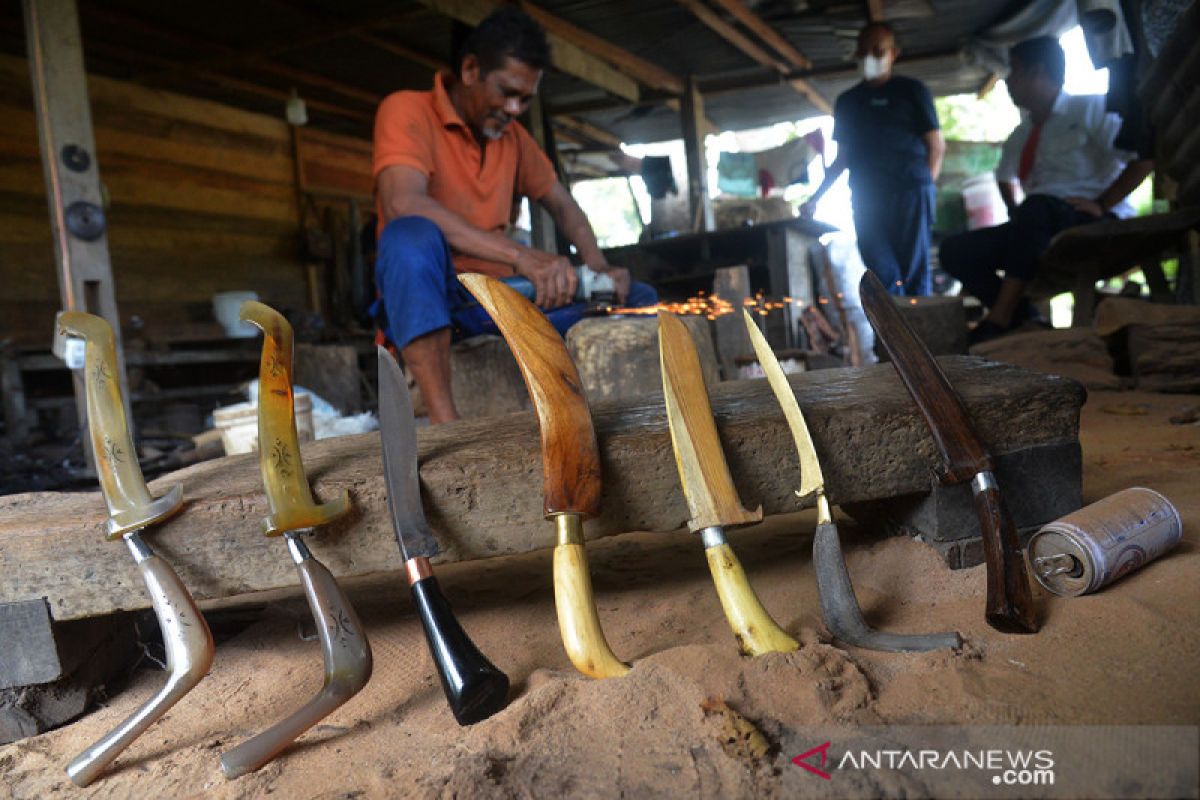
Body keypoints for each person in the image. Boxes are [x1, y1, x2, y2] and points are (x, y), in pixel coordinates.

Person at [372, 7, 657, 423]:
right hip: (434, 299)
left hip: (495, 299)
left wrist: (599, 269)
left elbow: (563, 204)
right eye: (507, 92)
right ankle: (446, 422)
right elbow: (403, 202)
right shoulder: (406, 111)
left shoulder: (513, 139)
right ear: (470, 70)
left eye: (525, 98)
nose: (515, 108)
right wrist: (521, 255)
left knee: (634, 299)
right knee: (408, 236)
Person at [939, 36, 1154, 344]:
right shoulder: (1021, 133)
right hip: (1036, 223)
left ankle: (999, 317)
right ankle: (1025, 317)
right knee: (956, 250)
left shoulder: (1089, 109)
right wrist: (1017, 214)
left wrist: (1103, 203)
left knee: (1037, 206)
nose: (1008, 82)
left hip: (1087, 217)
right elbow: (1004, 177)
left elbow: (1142, 160)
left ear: (1037, 72)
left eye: (1014, 71)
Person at [800, 22, 945, 296]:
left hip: (911, 192)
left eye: (878, 51)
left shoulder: (912, 91)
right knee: (881, 272)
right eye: (864, 51)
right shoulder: (848, 102)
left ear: (894, 53)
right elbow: (842, 159)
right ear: (856, 54)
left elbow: (935, 146)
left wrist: (924, 188)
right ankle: (890, 336)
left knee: (914, 273)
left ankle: (919, 333)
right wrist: (816, 198)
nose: (871, 58)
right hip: (867, 198)